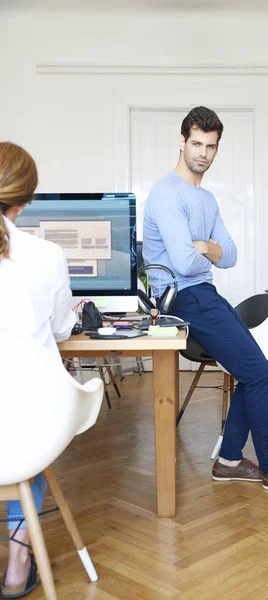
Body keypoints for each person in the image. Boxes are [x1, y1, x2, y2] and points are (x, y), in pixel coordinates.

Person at [143, 106, 268, 499]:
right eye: (196, 144)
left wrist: (206, 246)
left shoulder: (206, 200)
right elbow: (183, 262)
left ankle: (229, 461)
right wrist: (209, 252)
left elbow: (231, 254)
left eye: (210, 146)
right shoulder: (166, 194)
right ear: (182, 142)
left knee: (255, 370)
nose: (202, 153)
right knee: (258, 372)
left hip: (204, 292)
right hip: (181, 297)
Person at [0, 142, 75, 598]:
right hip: (25, 427)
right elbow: (64, 329)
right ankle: (18, 558)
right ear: (26, 200)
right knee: (34, 419)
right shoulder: (46, 256)